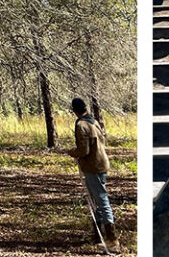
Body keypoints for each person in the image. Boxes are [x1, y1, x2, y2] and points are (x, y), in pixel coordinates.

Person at [67, 97, 117, 250]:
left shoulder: (81, 124)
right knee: (96, 201)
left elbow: (84, 150)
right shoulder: (94, 121)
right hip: (101, 164)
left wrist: (72, 152)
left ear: (74, 110)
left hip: (93, 167)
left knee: (101, 200)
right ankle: (98, 236)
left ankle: (112, 240)